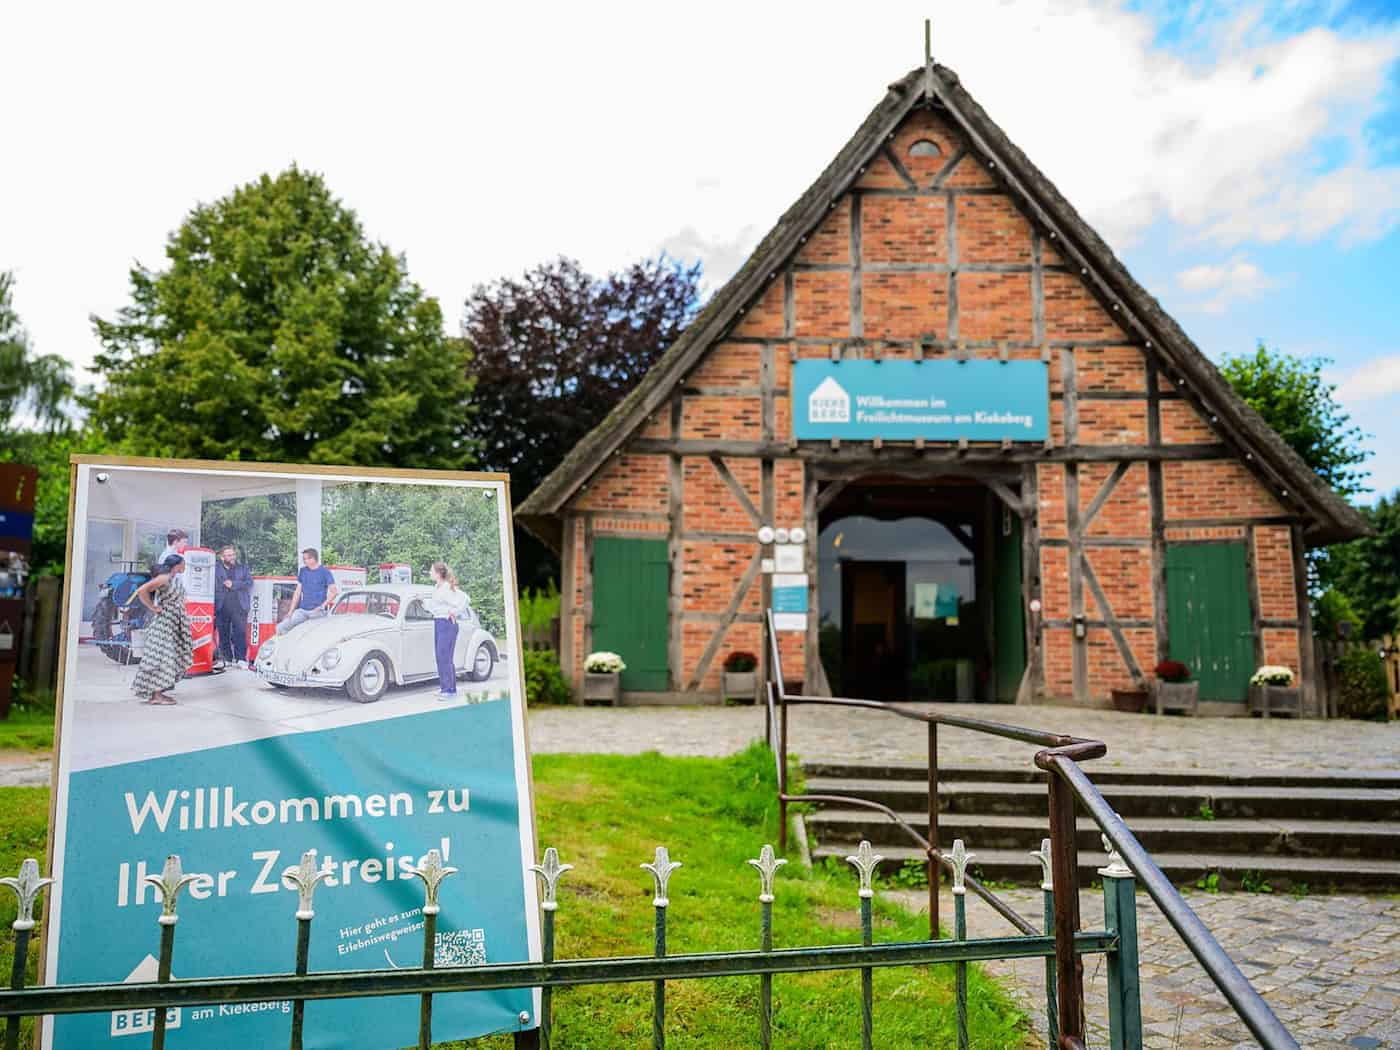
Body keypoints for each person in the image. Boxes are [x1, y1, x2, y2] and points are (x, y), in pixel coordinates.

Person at [130, 555, 195, 705]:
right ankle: (156, 695)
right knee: (161, 656)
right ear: (177, 565)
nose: (185, 566)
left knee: (170, 655)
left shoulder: (174, 578)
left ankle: (159, 692)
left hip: (174, 621)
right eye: (183, 563)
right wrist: (152, 607)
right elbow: (142, 591)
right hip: (164, 623)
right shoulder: (164, 578)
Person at [427, 561, 469, 699]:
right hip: (438, 622)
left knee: (445, 657)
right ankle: (445, 687)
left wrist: (455, 613)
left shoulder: (446, 587)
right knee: (440, 657)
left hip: (447, 624)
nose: (429, 573)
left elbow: (465, 599)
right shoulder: (436, 587)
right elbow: (436, 606)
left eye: (431, 571)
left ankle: (450, 691)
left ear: (438, 573)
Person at [276, 548, 338, 635]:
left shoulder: (325, 572)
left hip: (317, 612)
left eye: (307, 559)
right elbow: (297, 592)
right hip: (302, 611)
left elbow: (334, 592)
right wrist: (290, 611)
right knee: (280, 627)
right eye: (304, 559)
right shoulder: (303, 571)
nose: (305, 561)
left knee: (313, 635)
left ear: (313, 559)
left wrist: (322, 606)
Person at [215, 545, 253, 667]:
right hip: (222, 605)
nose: (232, 557)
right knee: (223, 633)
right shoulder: (216, 568)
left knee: (240, 632)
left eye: (233, 554)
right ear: (222, 557)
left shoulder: (243, 568)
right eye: (229, 555)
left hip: (239, 605)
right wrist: (223, 585)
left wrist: (233, 584)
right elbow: (212, 584)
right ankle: (227, 659)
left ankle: (241, 659)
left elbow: (249, 583)